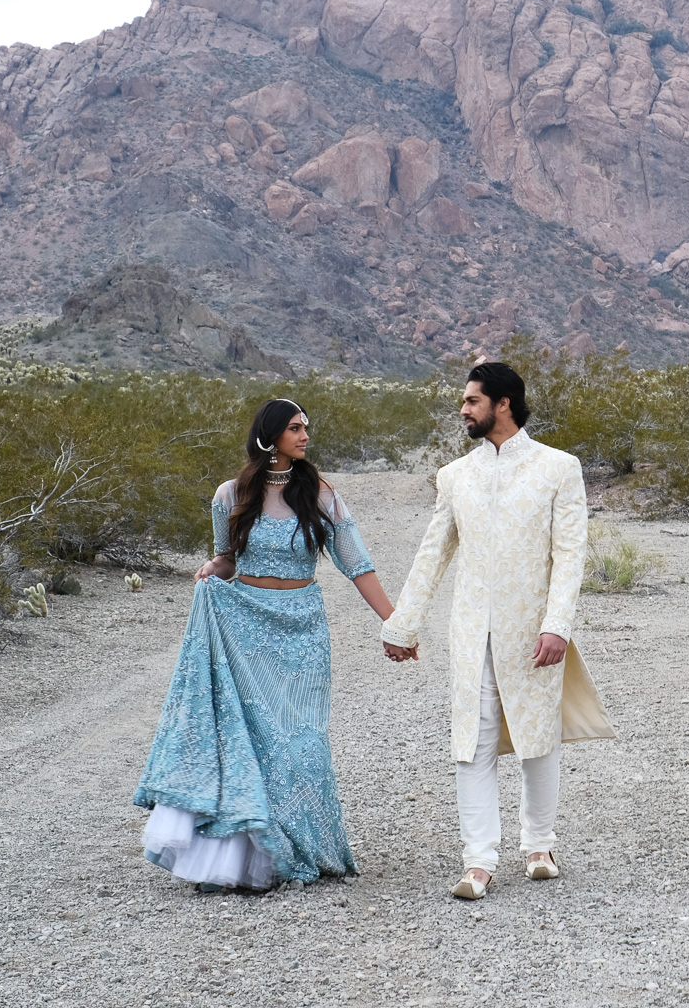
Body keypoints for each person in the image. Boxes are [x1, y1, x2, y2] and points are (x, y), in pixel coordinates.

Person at [133, 398, 397, 891]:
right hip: (245, 626)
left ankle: (307, 848)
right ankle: (246, 862)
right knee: (252, 740)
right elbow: (227, 560)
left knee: (303, 744)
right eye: (295, 428)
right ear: (269, 435)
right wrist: (214, 570)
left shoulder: (320, 495)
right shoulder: (229, 495)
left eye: (306, 428)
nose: (304, 436)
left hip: (303, 631)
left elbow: (356, 564)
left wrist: (394, 623)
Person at [382, 361, 614, 899]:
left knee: (538, 736)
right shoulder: (455, 475)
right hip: (470, 634)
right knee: (474, 739)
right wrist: (404, 625)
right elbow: (432, 553)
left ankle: (540, 844)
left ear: (502, 404)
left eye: (471, 401)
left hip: (533, 630)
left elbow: (570, 554)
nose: (463, 410)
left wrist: (557, 625)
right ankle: (478, 861)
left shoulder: (558, 468)